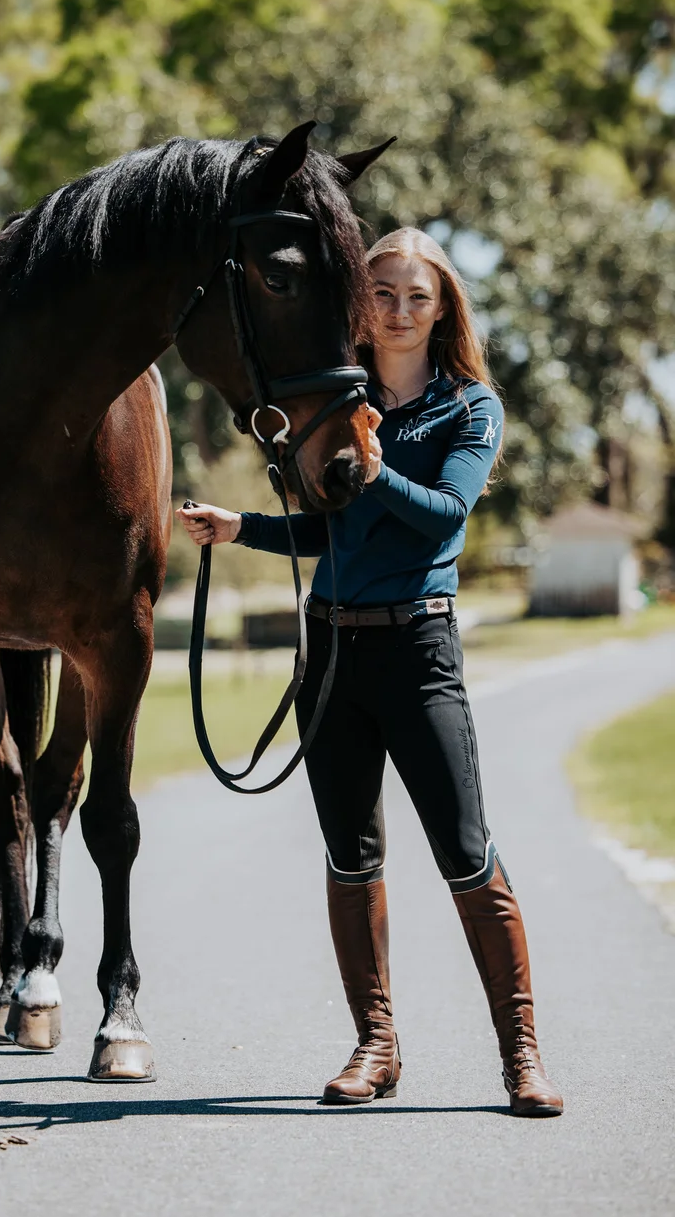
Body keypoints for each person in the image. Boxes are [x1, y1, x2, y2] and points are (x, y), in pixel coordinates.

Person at [178, 226, 562, 1117]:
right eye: (381, 293)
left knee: (466, 855)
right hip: (333, 652)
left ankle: (522, 1058)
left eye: (414, 296)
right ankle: (376, 1046)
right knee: (351, 858)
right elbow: (327, 529)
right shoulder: (333, 400)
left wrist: (374, 464)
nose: (395, 310)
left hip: (420, 652)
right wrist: (244, 527)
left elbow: (442, 518)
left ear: (442, 308)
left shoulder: (469, 408)